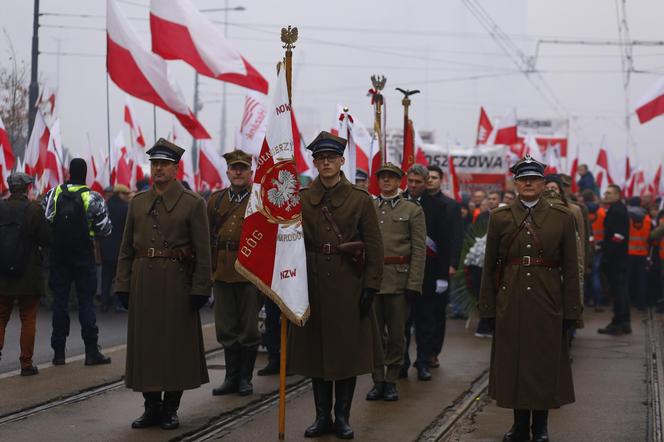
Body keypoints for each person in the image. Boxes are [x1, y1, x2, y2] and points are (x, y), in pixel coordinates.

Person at [479, 155, 581, 442]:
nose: (528, 183)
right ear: (515, 182)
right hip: (510, 300)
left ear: (543, 183)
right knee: (514, 363)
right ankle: (519, 425)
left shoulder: (562, 217)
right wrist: (487, 306)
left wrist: (572, 310)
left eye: (534, 179)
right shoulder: (499, 217)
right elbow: (490, 266)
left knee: (543, 363)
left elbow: (571, 268)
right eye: (523, 179)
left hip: (548, 299)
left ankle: (541, 427)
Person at [288, 131, 384, 439]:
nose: (326, 163)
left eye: (331, 158)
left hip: (348, 286)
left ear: (342, 161)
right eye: (320, 158)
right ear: (314, 163)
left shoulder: (359, 200)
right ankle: (321, 417)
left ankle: (342, 417)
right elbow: (289, 244)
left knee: (345, 356)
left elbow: (374, 245)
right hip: (311, 285)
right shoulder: (301, 199)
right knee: (316, 356)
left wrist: (370, 286)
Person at [115, 139, 211, 430]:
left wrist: (200, 288)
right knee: (147, 349)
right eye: (154, 163)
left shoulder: (194, 203)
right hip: (144, 283)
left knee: (174, 349)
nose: (158, 169)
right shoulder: (138, 203)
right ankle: (151, 407)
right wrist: (122, 283)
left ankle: (170, 408)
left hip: (177, 285)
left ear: (175, 168)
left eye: (164, 164)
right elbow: (126, 249)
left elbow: (203, 252)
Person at [42, 158, 112, 366]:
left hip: (59, 257)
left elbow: (44, 222)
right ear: (85, 174)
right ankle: (91, 352)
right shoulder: (93, 198)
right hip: (83, 257)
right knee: (86, 303)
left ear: (68, 173)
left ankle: (59, 353)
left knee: (59, 303)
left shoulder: (52, 194)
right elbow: (106, 230)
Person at [365, 163, 425, 402]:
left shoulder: (412, 209)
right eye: (383, 177)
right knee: (375, 335)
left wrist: (414, 284)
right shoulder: (369, 206)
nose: (387, 181)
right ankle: (377, 380)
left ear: (400, 181)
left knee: (397, 335)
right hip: (373, 280)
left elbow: (419, 249)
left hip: (399, 280)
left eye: (391, 177)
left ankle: (391, 380)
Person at [207, 149, 262, 396]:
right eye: (234, 168)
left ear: (251, 172)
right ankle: (231, 378)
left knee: (249, 328)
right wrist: (209, 271)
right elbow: (207, 238)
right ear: (227, 171)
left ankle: (244, 379)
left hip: (249, 273)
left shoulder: (260, 199)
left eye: (242, 168)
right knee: (226, 327)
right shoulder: (216, 201)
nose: (238, 172)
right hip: (222, 271)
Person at [401, 164, 449, 381]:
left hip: (428, 274)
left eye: (417, 182)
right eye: (410, 181)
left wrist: (442, 277)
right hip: (401, 271)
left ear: (425, 182)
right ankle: (400, 362)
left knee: (425, 321)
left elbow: (444, 244)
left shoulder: (438, 207)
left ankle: (422, 362)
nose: (413, 185)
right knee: (401, 322)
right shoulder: (398, 202)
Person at [0, 173, 51, 375]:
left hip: (2, 273)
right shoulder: (34, 210)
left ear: (10, 187)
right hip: (28, 274)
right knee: (28, 319)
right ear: (28, 188)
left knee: (1, 317)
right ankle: (26, 364)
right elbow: (47, 239)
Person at [426, 165, 463, 365]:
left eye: (434, 177)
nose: (430, 180)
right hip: (422, 266)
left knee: (438, 311)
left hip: (442, 266)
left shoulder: (451, 205)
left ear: (441, 180)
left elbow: (456, 237)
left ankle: (433, 353)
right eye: (428, 177)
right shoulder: (417, 202)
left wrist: (452, 263)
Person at [598, 185, 631, 335]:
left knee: (618, 291)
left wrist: (607, 254)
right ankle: (625, 321)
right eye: (605, 192)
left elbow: (618, 236)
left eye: (609, 193)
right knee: (621, 291)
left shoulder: (617, 210)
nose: (605, 195)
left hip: (616, 259)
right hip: (620, 258)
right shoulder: (617, 208)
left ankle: (618, 322)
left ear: (618, 195)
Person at [99, 184, 131, 312]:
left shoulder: (104, 207)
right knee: (120, 277)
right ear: (120, 194)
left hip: (105, 247)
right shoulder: (125, 208)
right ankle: (119, 303)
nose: (128, 197)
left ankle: (104, 302)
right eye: (126, 195)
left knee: (106, 276)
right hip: (120, 248)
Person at [625, 197, 650, 311]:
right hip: (643, 252)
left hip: (629, 252)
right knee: (641, 279)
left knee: (627, 279)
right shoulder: (647, 218)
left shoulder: (627, 218)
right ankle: (642, 304)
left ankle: (626, 302)